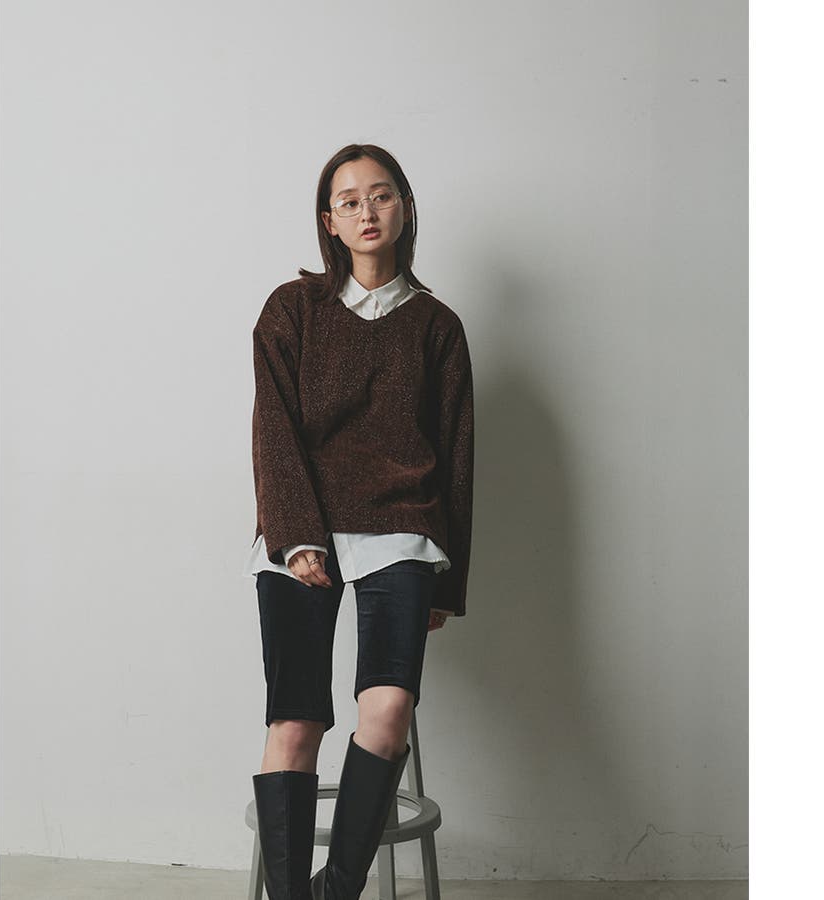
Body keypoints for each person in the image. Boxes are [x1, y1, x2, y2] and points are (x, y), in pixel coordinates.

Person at [246, 143, 475, 899]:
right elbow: (273, 430)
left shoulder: (437, 327)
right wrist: (295, 537)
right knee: (296, 722)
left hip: (402, 528)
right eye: (349, 201)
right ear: (330, 222)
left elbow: (457, 457)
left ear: (404, 206)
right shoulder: (292, 309)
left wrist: (449, 585)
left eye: (381, 195)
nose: (366, 211)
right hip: (301, 527)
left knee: (389, 707)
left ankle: (337, 890)